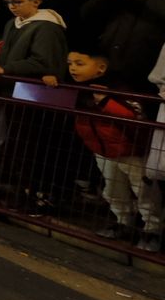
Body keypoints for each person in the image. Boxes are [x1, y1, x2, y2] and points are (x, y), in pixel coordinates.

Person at [68, 49, 163, 252]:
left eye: (79, 63)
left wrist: (104, 101)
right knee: (112, 189)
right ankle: (122, 222)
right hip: (103, 150)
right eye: (70, 63)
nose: (73, 68)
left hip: (131, 151)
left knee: (144, 191)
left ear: (101, 68)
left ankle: (153, 229)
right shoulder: (79, 90)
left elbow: (134, 116)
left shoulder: (118, 87)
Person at [0, 0, 67, 86]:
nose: (11, 6)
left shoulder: (47, 27)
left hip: (31, 87)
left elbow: (42, 63)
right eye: (8, 2)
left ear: (36, 2)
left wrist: (3, 69)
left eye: (17, 2)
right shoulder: (12, 22)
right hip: (9, 83)